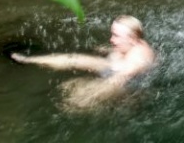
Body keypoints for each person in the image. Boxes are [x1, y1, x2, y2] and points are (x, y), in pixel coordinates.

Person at [12, 15, 155, 108]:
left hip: (129, 87)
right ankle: (29, 59)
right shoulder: (132, 42)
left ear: (132, 38)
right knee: (75, 59)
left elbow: (115, 82)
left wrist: (82, 101)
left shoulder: (136, 62)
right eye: (112, 34)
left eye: (116, 36)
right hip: (113, 66)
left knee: (70, 88)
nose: (111, 39)